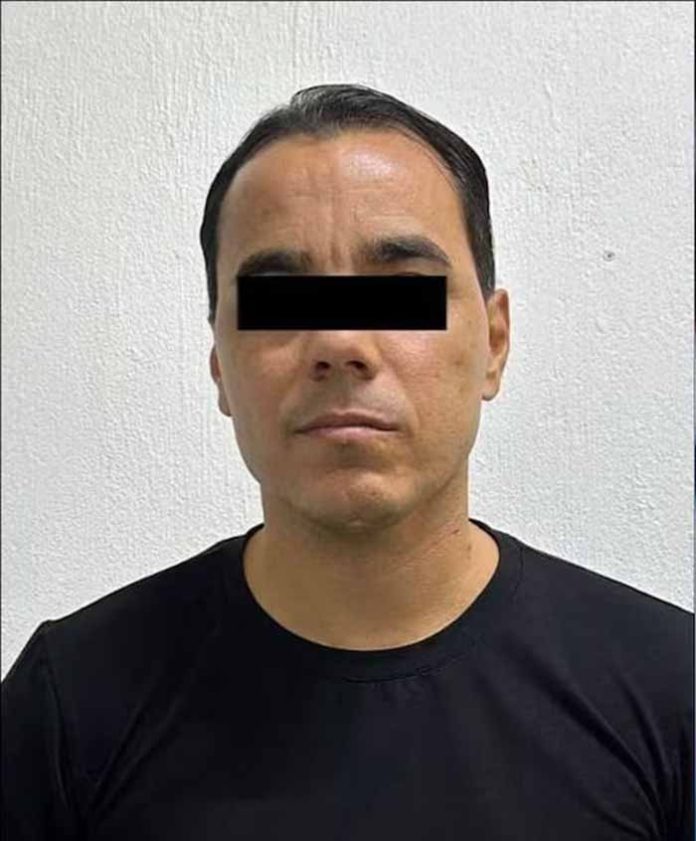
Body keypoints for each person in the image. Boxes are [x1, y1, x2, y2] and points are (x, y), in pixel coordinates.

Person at [2, 83, 692, 840]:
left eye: (403, 292)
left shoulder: (671, 692)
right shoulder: (70, 704)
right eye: (279, 298)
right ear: (220, 364)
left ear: (494, 342)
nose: (340, 342)